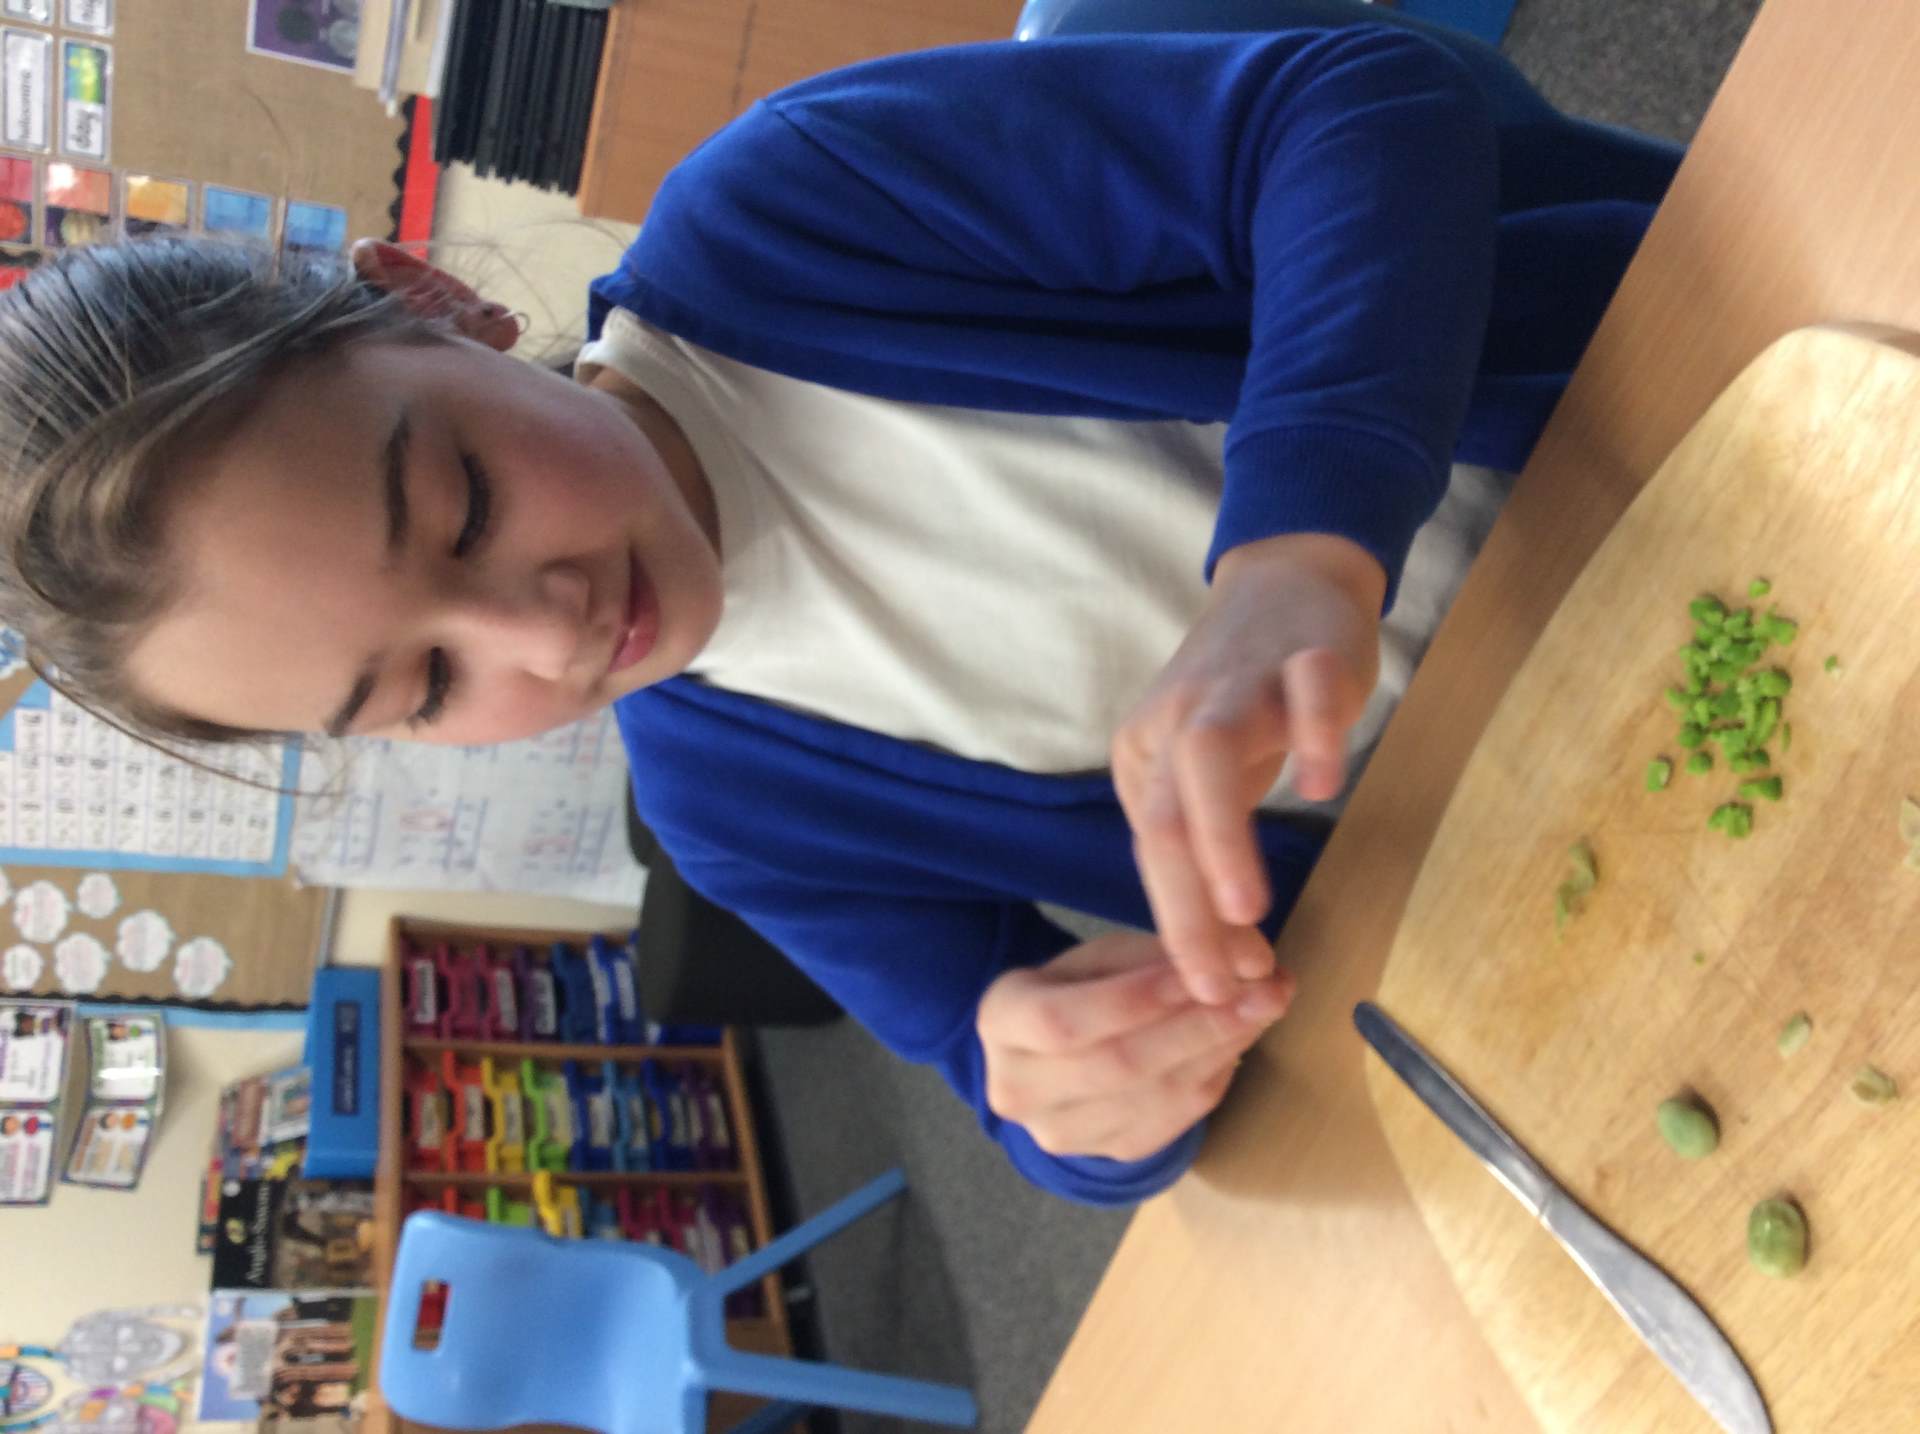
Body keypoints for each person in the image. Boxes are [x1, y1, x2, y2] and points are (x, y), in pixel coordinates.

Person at [0, 7, 1680, 1206]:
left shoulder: (784, 217)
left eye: (465, 503)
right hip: (1587, 833)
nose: (544, 630)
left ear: (436, 302)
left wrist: (1304, 540)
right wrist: (1063, 1087)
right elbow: (1007, 1086)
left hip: (1687, 411)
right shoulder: (733, 813)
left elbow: (1351, 109)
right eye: (425, 686)